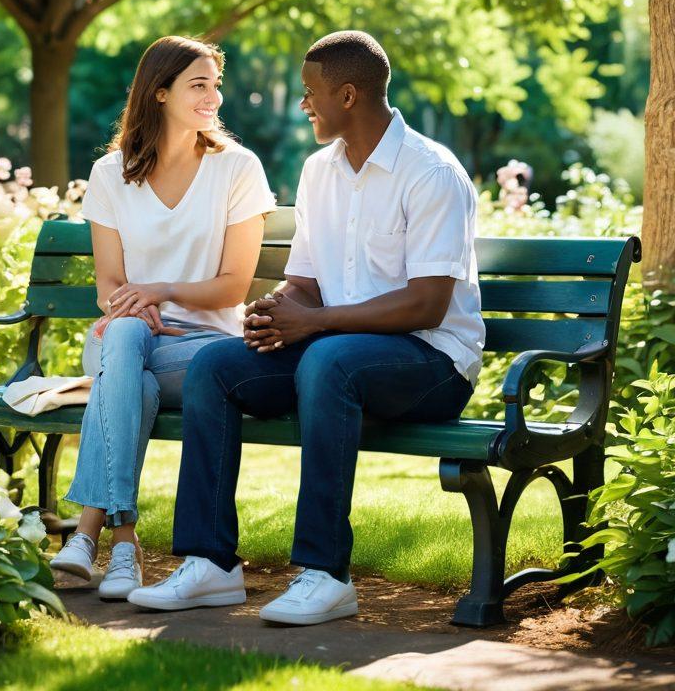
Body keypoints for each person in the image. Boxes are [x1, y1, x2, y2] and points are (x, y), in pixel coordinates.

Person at [128, 30, 484, 624]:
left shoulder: (431, 174)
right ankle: (210, 563)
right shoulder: (320, 171)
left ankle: (324, 573)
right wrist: (277, 310)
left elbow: (426, 304)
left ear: (347, 95)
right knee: (218, 366)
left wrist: (312, 323)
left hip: (430, 363)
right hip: (338, 353)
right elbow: (308, 284)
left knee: (328, 359)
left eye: (310, 92)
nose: (303, 104)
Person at [50, 35, 276, 600]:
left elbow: (235, 287)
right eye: (199, 86)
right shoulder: (111, 173)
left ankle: (93, 535)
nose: (214, 98)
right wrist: (133, 307)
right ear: (159, 93)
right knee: (127, 348)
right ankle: (122, 550)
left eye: (215, 85)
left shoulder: (237, 169)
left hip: (204, 350)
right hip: (125, 338)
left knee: (127, 368)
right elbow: (109, 284)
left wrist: (159, 290)